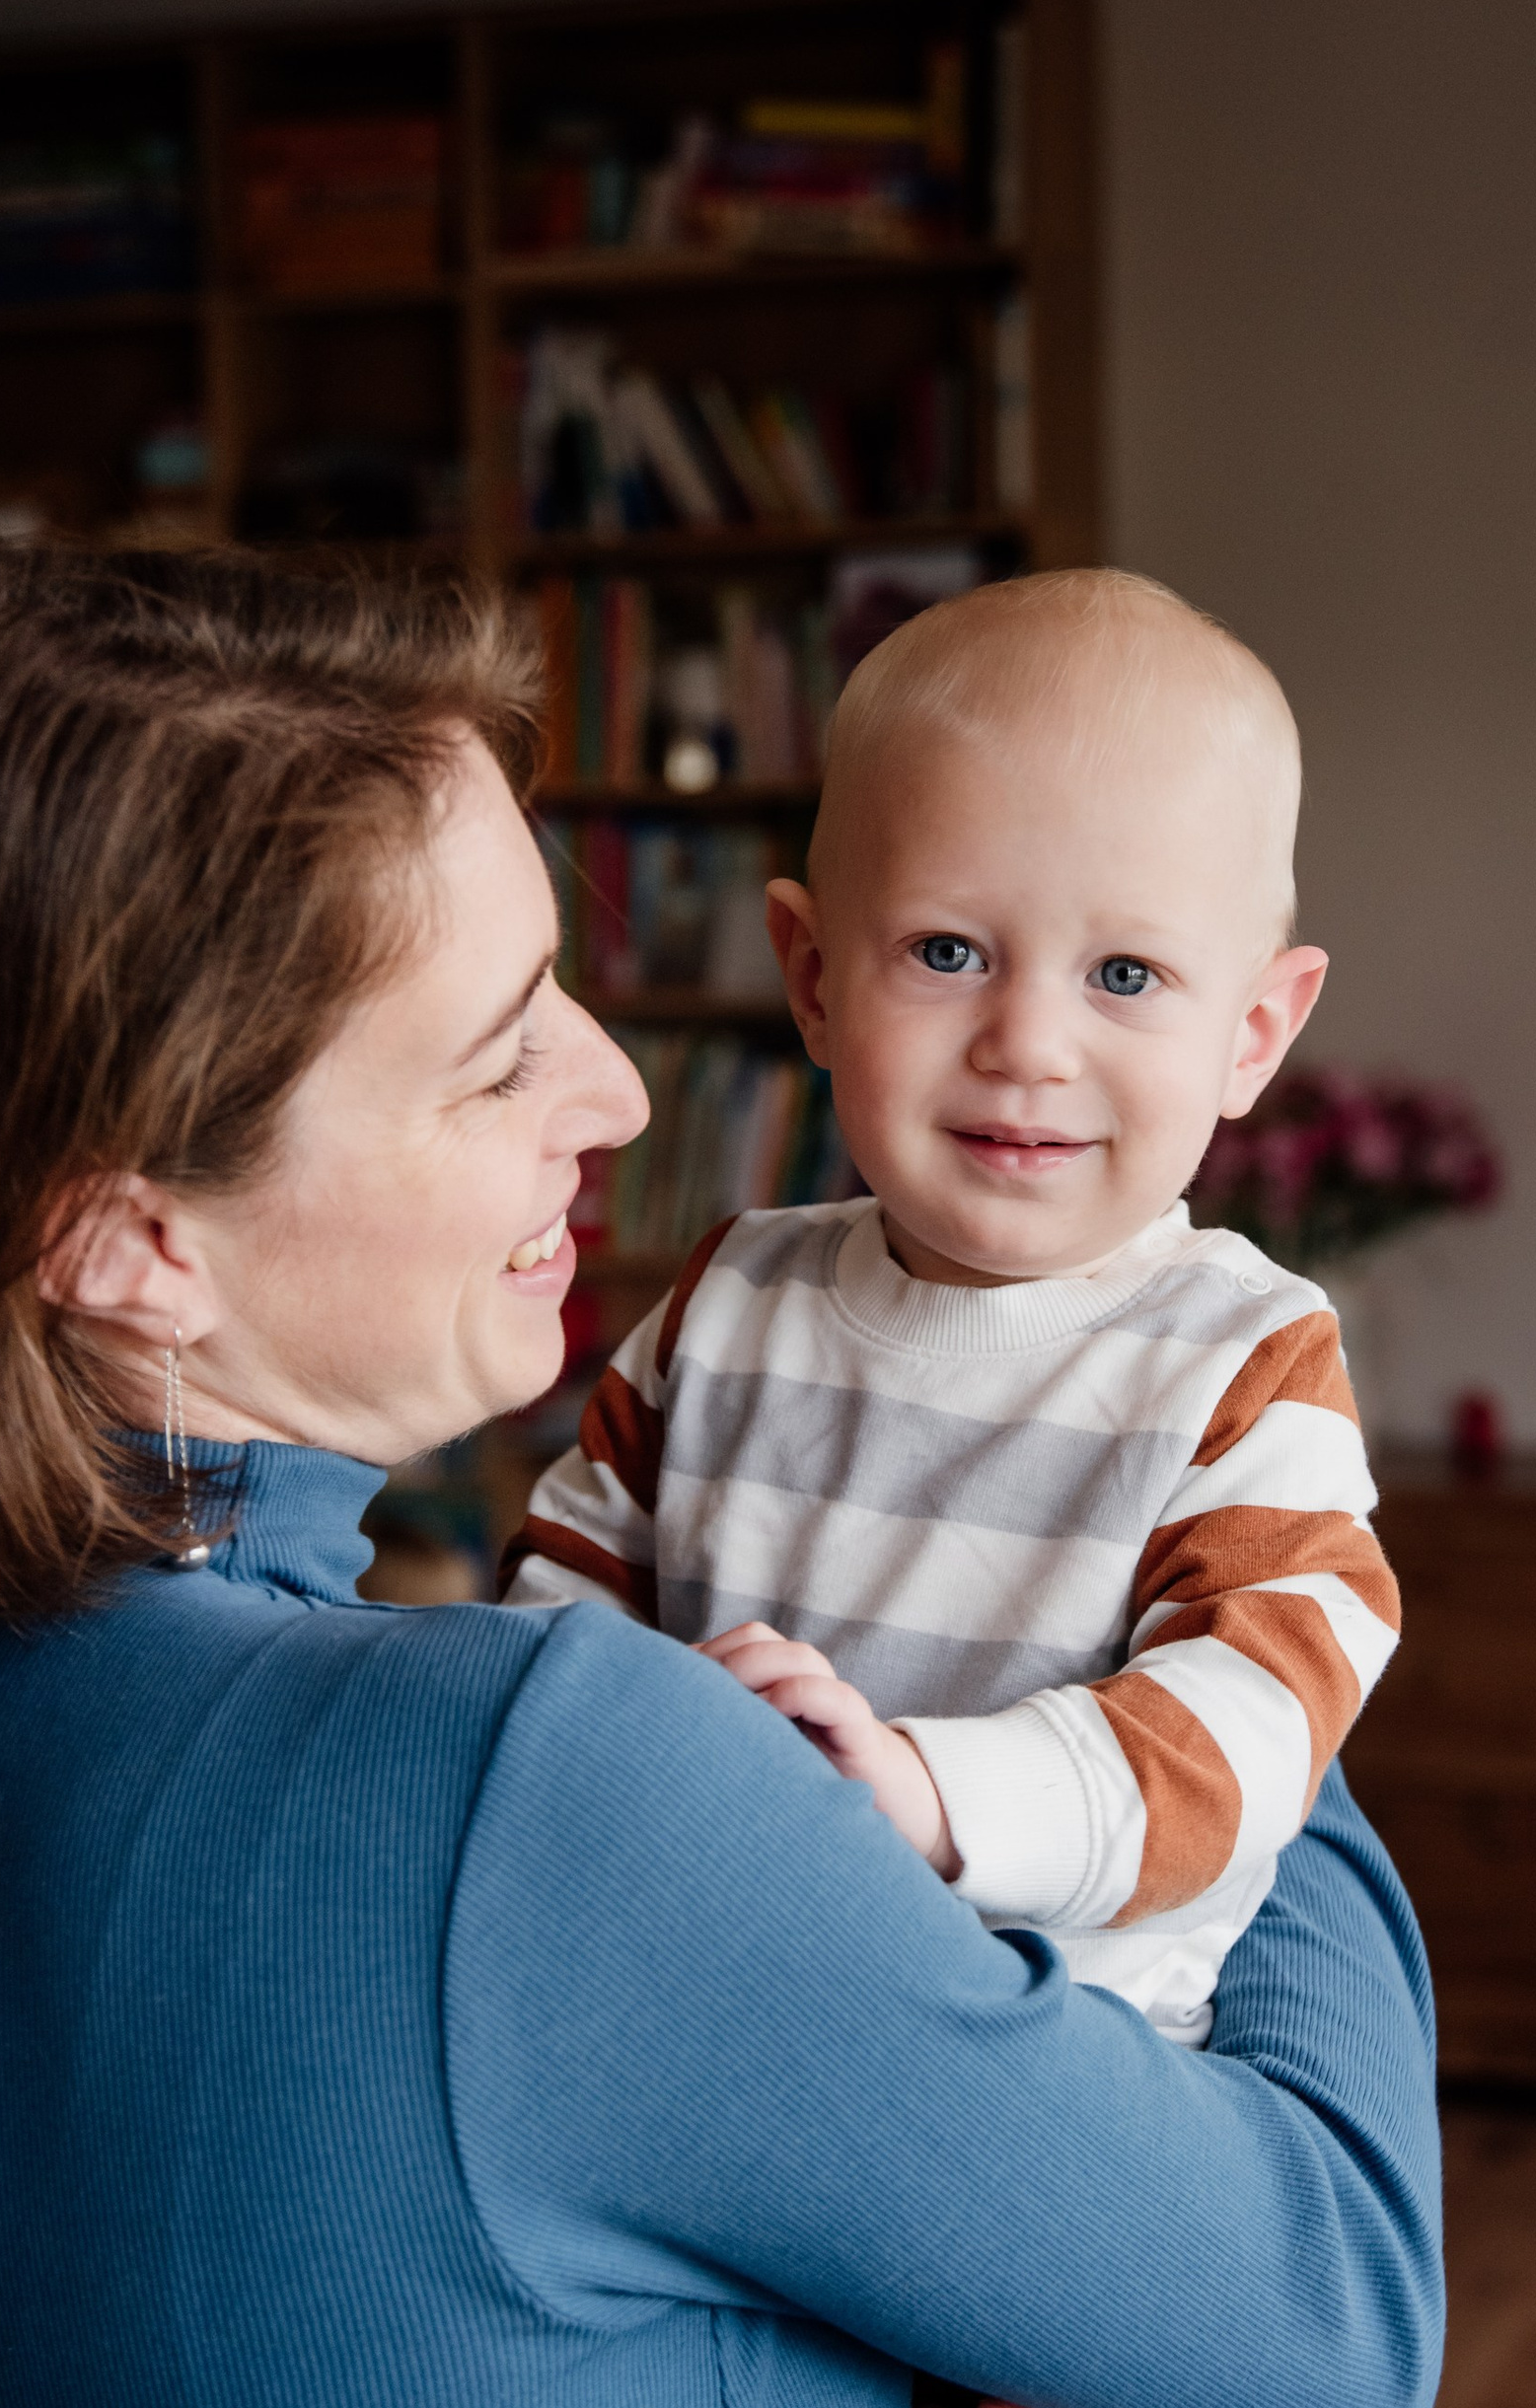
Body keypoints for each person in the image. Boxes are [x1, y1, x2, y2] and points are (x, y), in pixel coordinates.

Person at [0, 544, 1441, 2408]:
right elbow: (1338, 2342)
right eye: (501, 1036)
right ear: (131, 1235)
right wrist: (1231, 1613)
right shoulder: (546, 1781)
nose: (618, 1089)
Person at [506, 570, 1397, 2048]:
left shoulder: (1246, 1366)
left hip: (1057, 2076)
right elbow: (561, 1611)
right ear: (809, 976)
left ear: (1253, 1036)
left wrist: (919, 1794)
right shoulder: (729, 1302)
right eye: (946, 952)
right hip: (704, 2012)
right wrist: (633, 1760)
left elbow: (1246, 1740)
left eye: (1126, 973)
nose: (1027, 1043)